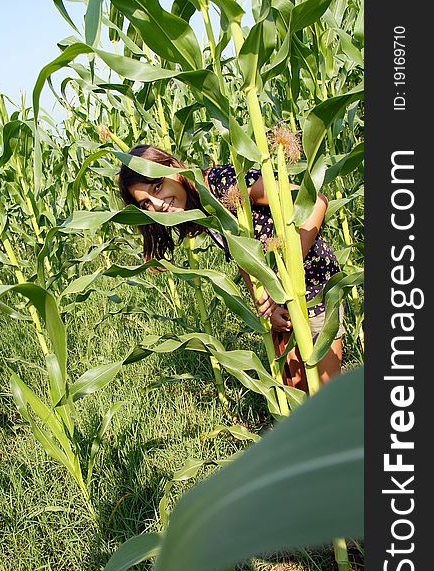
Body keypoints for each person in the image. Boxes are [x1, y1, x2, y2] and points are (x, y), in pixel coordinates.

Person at [118, 144, 344, 391]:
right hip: (280, 299)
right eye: (146, 203)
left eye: (157, 187)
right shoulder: (201, 207)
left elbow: (315, 203)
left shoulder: (222, 185)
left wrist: (279, 282)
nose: (157, 204)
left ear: (172, 167)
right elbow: (244, 255)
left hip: (315, 289)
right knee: (300, 395)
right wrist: (268, 306)